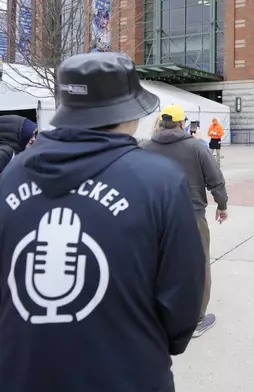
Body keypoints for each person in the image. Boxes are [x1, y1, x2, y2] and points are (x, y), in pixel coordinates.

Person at [0, 52, 206, 392]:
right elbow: (182, 301)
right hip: (127, 373)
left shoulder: (9, 178)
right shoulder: (159, 181)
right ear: (130, 112)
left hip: (20, 373)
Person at [142, 104, 229, 338]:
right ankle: (196, 318)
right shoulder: (196, 147)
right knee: (197, 267)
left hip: (156, 217)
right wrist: (222, 205)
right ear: (182, 123)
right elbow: (215, 180)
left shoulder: (145, 148)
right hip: (191, 215)